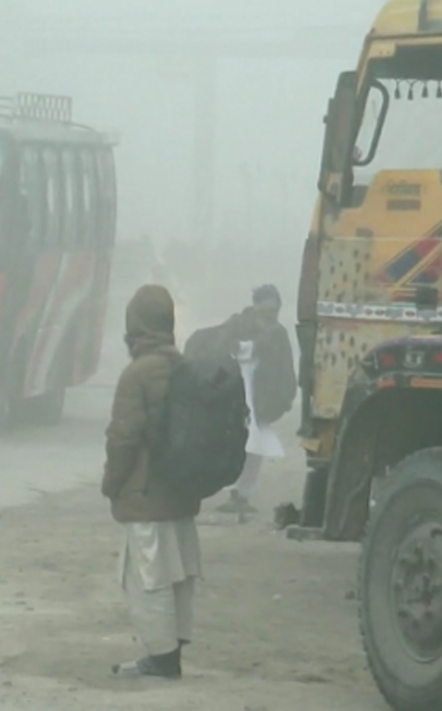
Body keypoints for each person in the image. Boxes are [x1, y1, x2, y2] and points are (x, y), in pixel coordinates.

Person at [102, 284, 201, 680]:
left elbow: (122, 439)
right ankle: (172, 653)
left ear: (134, 327)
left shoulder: (136, 374)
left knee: (149, 579)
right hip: (181, 493)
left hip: (145, 496)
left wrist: (111, 484)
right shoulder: (186, 368)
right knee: (178, 576)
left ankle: (160, 662)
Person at [208, 284, 297, 514]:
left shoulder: (278, 334)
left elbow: (286, 370)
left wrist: (284, 398)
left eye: (274, 312)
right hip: (233, 395)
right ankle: (232, 492)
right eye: (266, 311)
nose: (271, 316)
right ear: (256, 307)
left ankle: (243, 495)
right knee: (233, 444)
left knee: (255, 449)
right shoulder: (237, 325)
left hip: (261, 400)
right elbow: (217, 347)